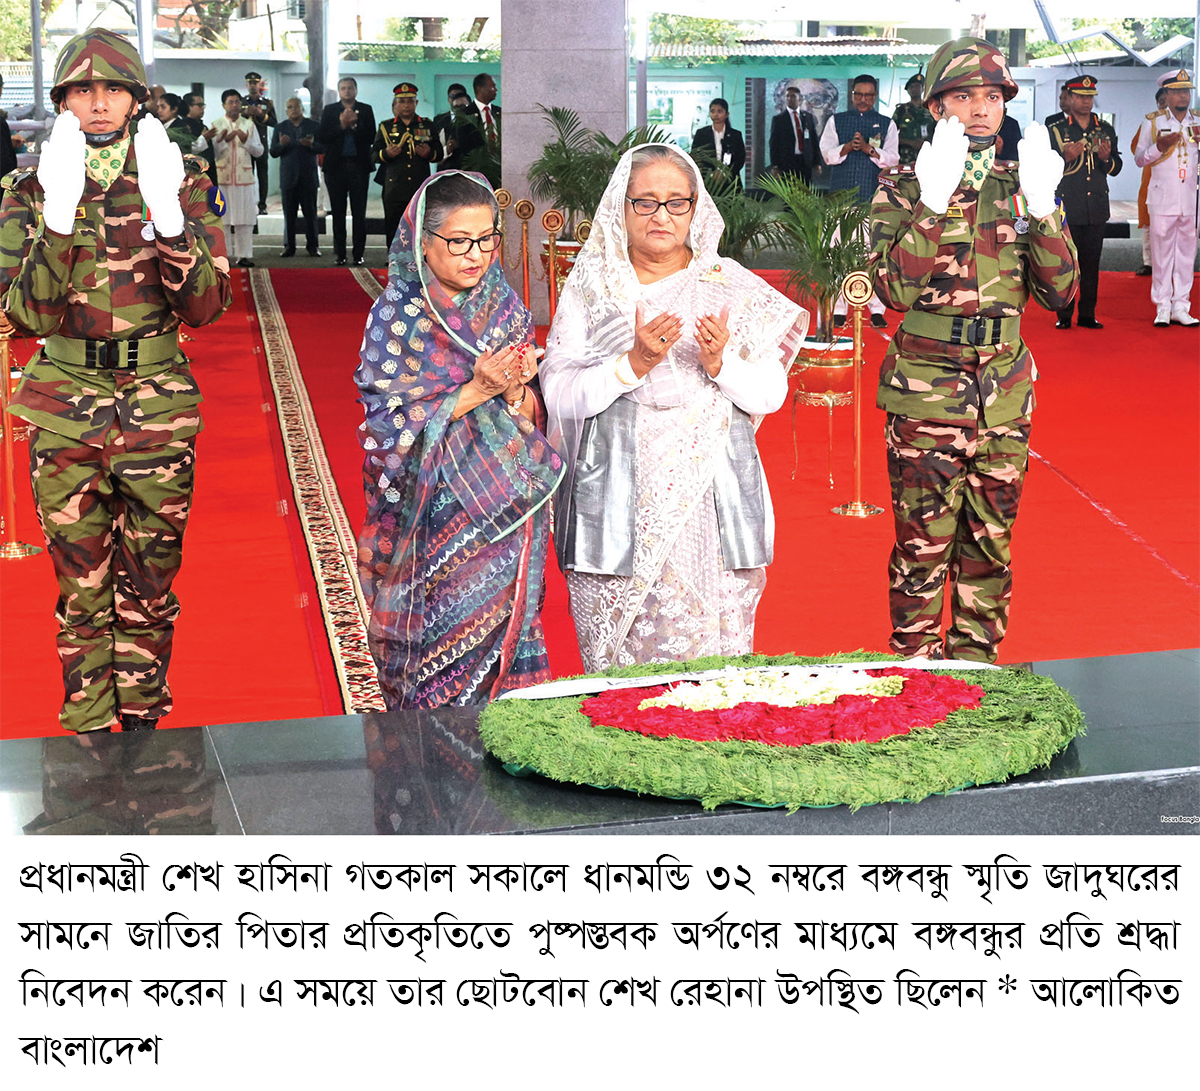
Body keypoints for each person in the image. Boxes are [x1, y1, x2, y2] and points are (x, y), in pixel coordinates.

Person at [0, 27, 231, 735]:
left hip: (156, 409)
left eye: (112, 89)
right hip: (66, 409)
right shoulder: (27, 190)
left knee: (152, 585)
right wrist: (61, 216)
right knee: (80, 591)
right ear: (63, 101)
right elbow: (25, 312)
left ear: (134, 99)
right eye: (82, 90)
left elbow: (206, 307)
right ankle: (91, 734)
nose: (98, 102)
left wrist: (168, 218)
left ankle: (142, 727)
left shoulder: (181, 179)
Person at [541, 144, 808, 671]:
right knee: (626, 673)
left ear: (696, 207)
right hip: (615, 494)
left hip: (711, 499)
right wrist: (631, 364)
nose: (661, 216)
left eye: (676, 202)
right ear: (622, 207)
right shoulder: (593, 287)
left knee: (711, 657)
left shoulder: (728, 283)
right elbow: (559, 393)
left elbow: (770, 395)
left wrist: (720, 363)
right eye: (645, 202)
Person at [870, 37, 1078, 663]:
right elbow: (894, 288)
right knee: (922, 543)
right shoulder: (905, 189)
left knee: (990, 543)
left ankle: (975, 671)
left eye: (993, 96)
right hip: (927, 392)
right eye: (963, 96)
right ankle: (911, 669)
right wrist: (932, 206)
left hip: (1004, 396)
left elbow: (1061, 292)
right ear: (937, 108)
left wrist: (1044, 211)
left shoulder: (1026, 184)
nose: (981, 109)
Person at [355, 171, 563, 708]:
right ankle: (438, 769)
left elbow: (529, 411)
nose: (477, 255)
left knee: (507, 636)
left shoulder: (505, 306)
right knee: (442, 649)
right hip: (437, 514)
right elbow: (386, 430)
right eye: (459, 242)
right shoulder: (396, 317)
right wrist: (474, 391)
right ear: (423, 243)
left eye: (487, 239)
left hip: (508, 509)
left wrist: (516, 392)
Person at [821, 73, 899, 327]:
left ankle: (876, 308)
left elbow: (893, 159)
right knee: (838, 253)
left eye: (868, 95)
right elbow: (827, 155)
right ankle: (839, 307)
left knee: (872, 253)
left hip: (872, 199)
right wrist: (847, 148)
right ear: (852, 95)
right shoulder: (837, 120)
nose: (863, 99)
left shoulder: (887, 124)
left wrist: (869, 149)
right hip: (841, 199)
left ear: (875, 96)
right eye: (858, 94)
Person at [1047, 74, 1121, 330]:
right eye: (1080, 96)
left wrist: (1106, 159)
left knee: (1091, 264)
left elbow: (1116, 168)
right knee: (1067, 263)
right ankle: (1064, 314)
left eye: (1090, 97)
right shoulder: (1057, 130)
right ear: (1069, 97)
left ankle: (1088, 314)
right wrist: (1063, 157)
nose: (1086, 101)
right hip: (1068, 206)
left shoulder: (1105, 129)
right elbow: (1044, 168)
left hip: (1096, 208)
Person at [1133, 69, 1200, 326]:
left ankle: (1181, 306)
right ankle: (1162, 306)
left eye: (1187, 91)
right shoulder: (1153, 122)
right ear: (1167, 95)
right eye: (1177, 91)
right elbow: (1139, 159)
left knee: (1186, 253)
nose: (1183, 96)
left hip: (1191, 199)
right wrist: (1159, 147)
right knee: (1161, 254)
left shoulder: (1197, 120)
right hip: (1162, 198)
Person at [195, 88, 263, 267]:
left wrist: (244, 140)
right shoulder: (216, 125)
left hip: (245, 178)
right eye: (230, 102)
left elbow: (259, 151)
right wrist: (223, 140)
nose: (234, 105)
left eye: (237, 102)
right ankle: (224, 255)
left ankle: (244, 255)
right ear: (223, 105)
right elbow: (214, 154)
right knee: (224, 218)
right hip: (223, 178)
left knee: (245, 218)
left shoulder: (249, 125)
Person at [372, 82, 440, 248]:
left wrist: (429, 154)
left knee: (418, 224)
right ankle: (394, 259)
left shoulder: (427, 125)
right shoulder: (386, 126)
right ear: (396, 104)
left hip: (418, 184)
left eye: (410, 101)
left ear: (416, 103)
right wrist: (387, 154)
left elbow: (439, 153)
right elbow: (374, 155)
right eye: (402, 101)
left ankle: (417, 259)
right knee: (393, 224)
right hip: (394, 185)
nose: (406, 105)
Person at [318, 76, 375, 266]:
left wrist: (355, 125)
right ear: (339, 91)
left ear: (356, 90)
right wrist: (342, 125)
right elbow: (323, 137)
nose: (347, 91)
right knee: (338, 212)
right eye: (343, 88)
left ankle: (358, 254)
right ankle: (340, 253)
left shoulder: (365, 110)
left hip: (358, 166)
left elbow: (371, 137)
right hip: (336, 167)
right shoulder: (330, 110)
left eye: (350, 88)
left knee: (359, 213)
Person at [271, 95, 322, 257]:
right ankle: (289, 247)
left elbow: (323, 147)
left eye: (296, 106)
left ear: (302, 108)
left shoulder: (313, 126)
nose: (294, 109)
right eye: (290, 107)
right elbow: (273, 152)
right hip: (288, 178)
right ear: (286, 111)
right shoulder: (280, 128)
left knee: (310, 214)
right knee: (289, 215)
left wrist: (311, 145)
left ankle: (313, 247)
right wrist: (281, 145)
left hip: (308, 177)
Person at [1132, 87, 1169, 276]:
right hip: (1151, 178)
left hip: (1176, 183)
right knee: (1148, 224)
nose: (1165, 105)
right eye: (1161, 101)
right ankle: (1148, 263)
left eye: (1167, 100)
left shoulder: (1187, 123)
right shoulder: (1150, 123)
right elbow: (1136, 149)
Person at [769, 84, 821, 185]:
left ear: (800, 99)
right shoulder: (779, 119)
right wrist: (775, 165)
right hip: (787, 163)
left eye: (793, 96)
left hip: (805, 162)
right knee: (789, 194)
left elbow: (814, 141)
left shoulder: (808, 117)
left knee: (805, 192)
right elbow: (774, 144)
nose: (789, 99)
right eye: (787, 96)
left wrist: (817, 162)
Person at [691, 97, 745, 189]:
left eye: (719, 111)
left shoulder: (735, 135)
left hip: (730, 181)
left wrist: (724, 173)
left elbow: (740, 158)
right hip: (708, 181)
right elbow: (696, 156)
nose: (716, 114)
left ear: (726, 114)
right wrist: (711, 174)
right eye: (713, 111)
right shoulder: (701, 133)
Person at [242, 70, 276, 214]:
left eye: (255, 83)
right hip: (245, 145)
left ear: (259, 84)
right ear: (246, 84)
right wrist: (244, 114)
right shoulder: (241, 102)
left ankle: (262, 206)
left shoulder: (266, 103)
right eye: (250, 83)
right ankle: (247, 204)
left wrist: (261, 114)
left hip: (261, 144)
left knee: (262, 175)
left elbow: (274, 122)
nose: (253, 86)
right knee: (246, 175)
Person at [893, 73, 935, 165]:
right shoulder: (901, 111)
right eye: (911, 87)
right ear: (907, 91)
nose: (914, 89)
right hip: (906, 159)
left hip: (928, 158)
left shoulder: (931, 109)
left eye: (917, 86)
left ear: (923, 89)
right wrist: (911, 142)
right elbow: (891, 135)